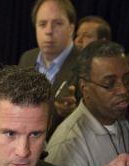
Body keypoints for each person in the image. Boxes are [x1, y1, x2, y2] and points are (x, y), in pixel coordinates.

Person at [18, 0, 80, 128]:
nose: (49, 31)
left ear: (71, 28)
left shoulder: (85, 64)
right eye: (42, 24)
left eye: (57, 24)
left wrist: (74, 113)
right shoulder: (27, 59)